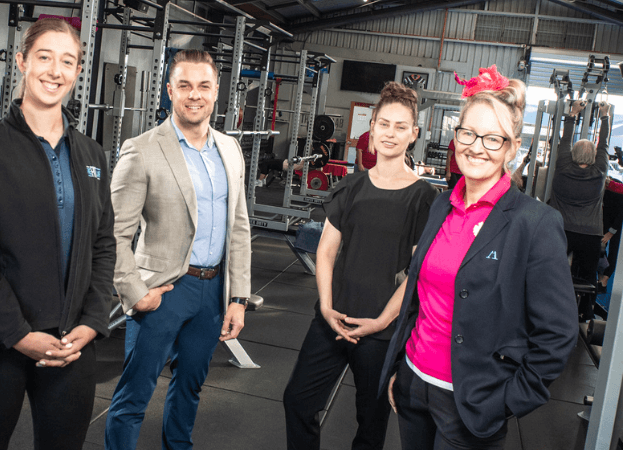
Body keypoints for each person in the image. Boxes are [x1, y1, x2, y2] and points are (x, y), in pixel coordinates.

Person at [380, 65, 578, 450]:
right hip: (414, 386)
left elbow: (558, 334)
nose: (476, 147)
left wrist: (504, 401)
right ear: (456, 136)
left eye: (493, 138)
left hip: (471, 405)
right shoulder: (442, 205)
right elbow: (420, 298)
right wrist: (403, 369)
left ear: (512, 147)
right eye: (468, 133)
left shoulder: (533, 224)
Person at [0, 18, 115, 450]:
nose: (54, 71)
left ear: (78, 72)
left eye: (67, 61)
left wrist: (93, 323)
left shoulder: (92, 153)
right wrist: (20, 335)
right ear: (22, 62)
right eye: (44, 57)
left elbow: (103, 244)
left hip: (71, 345)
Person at [105, 50, 251, 450]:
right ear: (169, 90)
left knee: (189, 391)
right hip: (164, 292)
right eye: (184, 85)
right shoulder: (142, 149)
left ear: (216, 92)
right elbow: (114, 234)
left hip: (212, 293)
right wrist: (136, 294)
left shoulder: (230, 149)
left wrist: (237, 297)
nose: (194, 95)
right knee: (134, 397)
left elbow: (238, 227)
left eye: (204, 86)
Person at [283, 82, 437, 450]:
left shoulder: (423, 198)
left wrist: (382, 321)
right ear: (373, 128)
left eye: (401, 127)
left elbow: (418, 273)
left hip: (380, 331)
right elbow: (325, 252)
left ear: (413, 134)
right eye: (384, 124)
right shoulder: (351, 187)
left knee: (371, 424)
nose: (390, 133)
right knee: (297, 401)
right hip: (332, 318)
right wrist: (324, 306)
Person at [548, 100, 611, 317]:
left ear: (572, 154)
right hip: (589, 234)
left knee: (549, 273)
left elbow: (565, 140)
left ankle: (544, 307)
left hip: (560, 231)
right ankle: (585, 314)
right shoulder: (599, 170)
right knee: (588, 277)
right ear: (593, 157)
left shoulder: (563, 165)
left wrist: (572, 113)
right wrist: (605, 116)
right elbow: (604, 144)